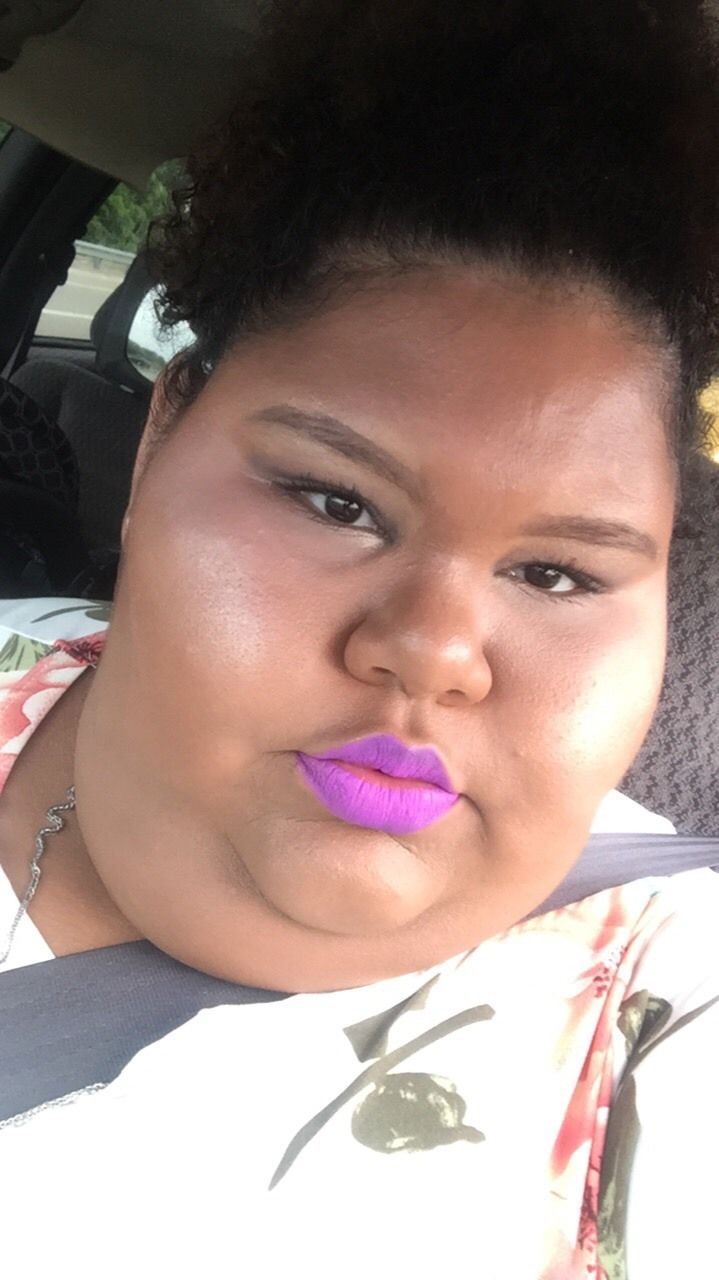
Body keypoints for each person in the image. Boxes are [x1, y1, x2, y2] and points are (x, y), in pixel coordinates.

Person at [0, 1, 718, 1275]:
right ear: (160, 439)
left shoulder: (662, 1005)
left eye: (555, 571)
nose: (433, 649)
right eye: (336, 502)